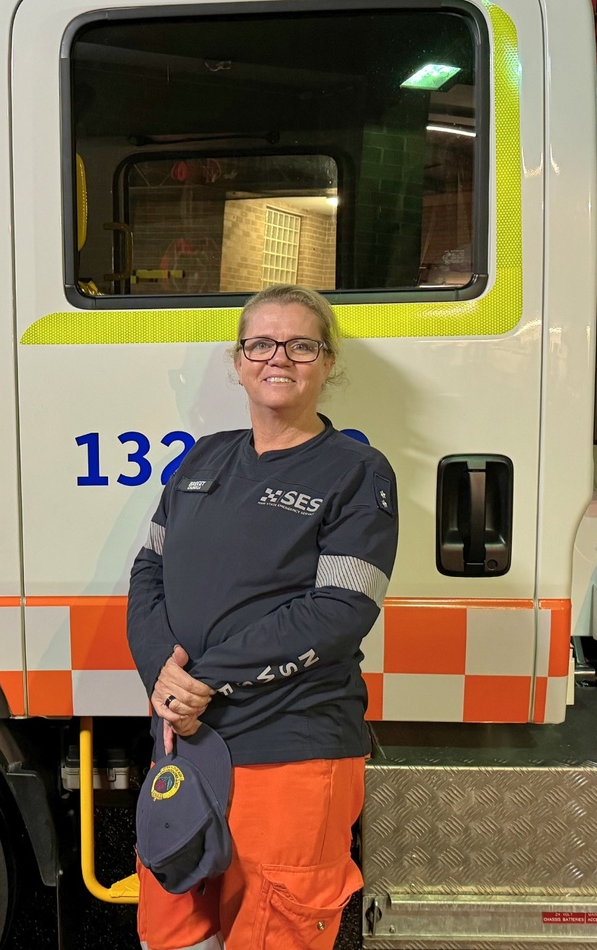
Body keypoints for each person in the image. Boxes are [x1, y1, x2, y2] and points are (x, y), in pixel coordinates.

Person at [127, 283, 398, 950]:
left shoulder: (356, 471)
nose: (280, 357)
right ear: (240, 359)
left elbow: (341, 609)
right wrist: (164, 678)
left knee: (276, 929)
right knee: (171, 931)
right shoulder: (203, 458)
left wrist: (205, 680)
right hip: (186, 744)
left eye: (302, 344)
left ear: (327, 362)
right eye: (262, 343)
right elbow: (147, 574)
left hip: (291, 749)